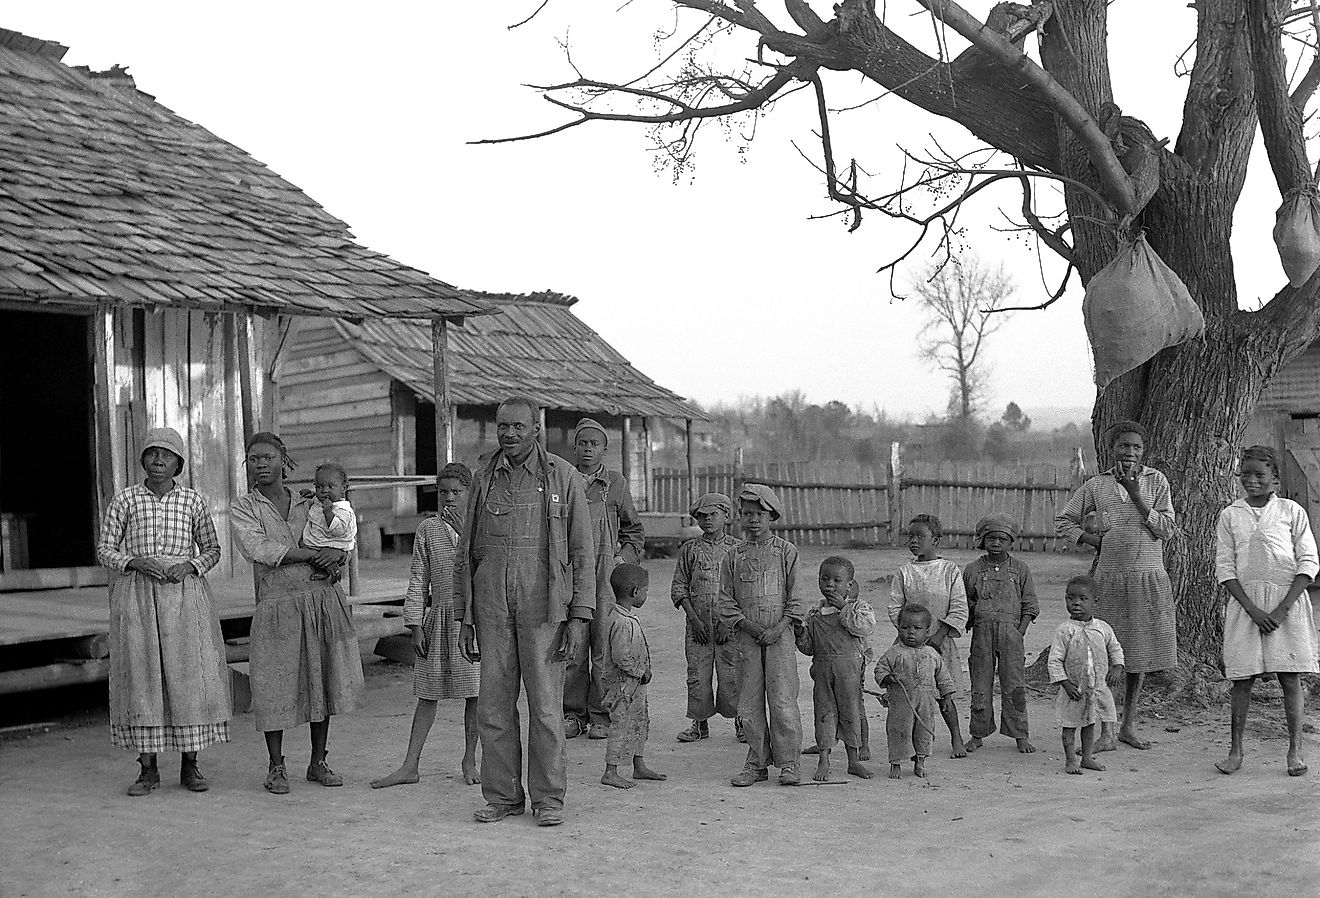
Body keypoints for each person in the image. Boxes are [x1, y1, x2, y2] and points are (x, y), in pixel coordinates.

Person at [453, 396, 595, 827]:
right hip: (492, 608)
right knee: (493, 707)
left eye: (518, 426)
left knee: (548, 709)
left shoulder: (563, 477)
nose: (509, 433)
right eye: (502, 426)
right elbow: (466, 552)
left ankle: (549, 799)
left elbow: (582, 552)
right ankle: (502, 797)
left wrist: (579, 616)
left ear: (536, 427)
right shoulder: (483, 478)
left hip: (545, 611)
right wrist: (465, 616)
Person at [96, 427, 230, 796]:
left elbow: (213, 549)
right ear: (142, 460)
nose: (159, 460)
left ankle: (191, 766)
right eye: (152, 454)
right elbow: (105, 549)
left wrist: (190, 566)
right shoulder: (125, 500)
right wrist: (134, 561)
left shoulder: (193, 502)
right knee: (143, 675)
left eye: (167, 455)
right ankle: (147, 769)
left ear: (179, 464)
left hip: (184, 597)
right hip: (138, 597)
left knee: (187, 675)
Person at [230, 432, 364, 794]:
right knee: (273, 683)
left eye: (268, 457)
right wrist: (308, 554)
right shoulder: (245, 508)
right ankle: (276, 766)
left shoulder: (311, 500)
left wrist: (339, 558)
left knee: (322, 678)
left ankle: (318, 761)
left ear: (284, 461)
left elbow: (341, 535)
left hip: (320, 597)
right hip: (276, 602)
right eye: (253, 458)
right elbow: (259, 547)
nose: (261, 464)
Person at [1056, 420, 1177, 751]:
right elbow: (1063, 520)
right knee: (1101, 654)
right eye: (1124, 446)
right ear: (1112, 449)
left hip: (1148, 578)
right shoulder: (1097, 486)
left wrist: (1138, 497)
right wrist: (1093, 540)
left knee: (1137, 656)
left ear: (1144, 451)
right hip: (1109, 580)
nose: (1131, 452)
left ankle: (1128, 725)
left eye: (1137, 447)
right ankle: (1103, 730)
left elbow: (1166, 529)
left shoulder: (1156, 481)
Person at [372, 462, 480, 789]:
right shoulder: (428, 530)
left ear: (470, 493)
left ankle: (469, 760)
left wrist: (465, 533)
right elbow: (418, 579)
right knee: (427, 693)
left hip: (472, 621)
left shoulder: (479, 528)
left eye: (457, 492)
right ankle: (410, 765)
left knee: (475, 694)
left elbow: (485, 565)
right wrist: (415, 624)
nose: (449, 498)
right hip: (439, 619)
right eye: (443, 492)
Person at [1214, 446, 1318, 777]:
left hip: (1287, 604)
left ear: (1275, 478)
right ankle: (1235, 751)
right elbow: (1225, 567)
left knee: (1290, 678)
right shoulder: (1230, 515)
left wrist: (1283, 607)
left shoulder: (1291, 511)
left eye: (1260, 474)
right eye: (1246, 473)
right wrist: (1253, 610)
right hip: (1246, 606)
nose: (1252, 480)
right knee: (1242, 679)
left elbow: (1308, 561)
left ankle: (1295, 751)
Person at [719, 484, 805, 787]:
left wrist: (779, 628)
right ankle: (756, 762)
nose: (752, 519)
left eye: (759, 514)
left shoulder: (786, 552)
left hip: (780, 638)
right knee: (749, 704)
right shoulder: (733, 555)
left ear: (772, 516)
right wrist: (749, 627)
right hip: (747, 639)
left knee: (782, 702)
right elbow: (725, 600)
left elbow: (796, 598)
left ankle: (789, 763)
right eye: (746, 514)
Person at [564, 417, 645, 741]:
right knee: (573, 646)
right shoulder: (563, 480)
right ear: (575, 447)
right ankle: (573, 714)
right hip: (570, 575)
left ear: (604, 450)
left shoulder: (615, 484)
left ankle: (601, 714)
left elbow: (634, 530)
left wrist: (622, 558)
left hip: (604, 580)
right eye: (582, 443)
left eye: (593, 444)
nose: (587, 449)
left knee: (604, 648)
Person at [889, 513, 969, 758]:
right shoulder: (905, 572)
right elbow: (894, 607)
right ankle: (912, 746)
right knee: (908, 695)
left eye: (920, 536)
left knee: (945, 693)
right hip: (910, 644)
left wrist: (938, 635)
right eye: (910, 536)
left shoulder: (949, 571)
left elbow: (958, 606)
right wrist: (910, 633)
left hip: (940, 643)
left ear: (936, 540)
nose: (913, 541)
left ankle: (956, 738)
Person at [671, 491, 744, 743]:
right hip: (698, 626)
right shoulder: (689, 549)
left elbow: (742, 592)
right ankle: (698, 724)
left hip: (730, 627)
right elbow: (679, 586)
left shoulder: (737, 550)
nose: (708, 520)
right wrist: (693, 619)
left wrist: (728, 621)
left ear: (726, 516)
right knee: (697, 675)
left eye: (714, 514)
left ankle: (741, 722)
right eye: (702, 516)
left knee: (733, 674)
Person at [963, 514, 1038, 754]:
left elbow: (1030, 604)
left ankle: (1020, 735)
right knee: (980, 684)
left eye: (1002, 539)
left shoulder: (1020, 569)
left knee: (1014, 685)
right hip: (982, 635)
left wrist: (1020, 631)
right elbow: (964, 602)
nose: (996, 543)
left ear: (1011, 542)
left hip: (1011, 635)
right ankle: (977, 734)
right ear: (982, 540)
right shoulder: (973, 570)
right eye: (991, 538)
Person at [795, 556, 875, 781]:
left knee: (851, 714)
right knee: (824, 714)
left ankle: (853, 761)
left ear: (849, 585)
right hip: (823, 673)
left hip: (848, 674)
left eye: (837, 580)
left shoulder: (859, 608)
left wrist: (843, 608)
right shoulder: (814, 613)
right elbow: (809, 648)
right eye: (824, 579)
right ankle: (824, 760)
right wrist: (800, 634)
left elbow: (865, 628)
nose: (829, 584)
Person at [1047, 576, 1125, 775]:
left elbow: (1115, 648)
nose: (1076, 603)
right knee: (1070, 726)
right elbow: (1054, 660)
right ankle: (1071, 760)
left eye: (1083, 598)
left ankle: (1087, 758)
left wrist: (1117, 667)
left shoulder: (1102, 628)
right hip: (1073, 690)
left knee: (1090, 723)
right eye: (1071, 598)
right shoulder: (1065, 631)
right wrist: (1065, 683)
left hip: (1096, 688)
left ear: (1095, 602)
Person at [600, 563, 666, 789]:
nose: (646, 594)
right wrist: (641, 672)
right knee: (621, 724)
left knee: (639, 722)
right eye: (645, 591)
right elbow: (621, 657)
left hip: (634, 687)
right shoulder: (621, 622)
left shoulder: (626, 617)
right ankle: (611, 771)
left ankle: (639, 764)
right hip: (623, 687)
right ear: (635, 592)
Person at [874, 604, 956, 779]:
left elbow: (943, 677)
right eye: (905, 627)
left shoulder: (932, 654)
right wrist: (888, 678)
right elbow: (880, 669)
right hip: (901, 703)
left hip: (925, 703)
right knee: (899, 731)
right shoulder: (894, 652)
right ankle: (895, 764)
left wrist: (947, 698)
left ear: (927, 632)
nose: (910, 632)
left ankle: (920, 763)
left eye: (917, 628)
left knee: (923, 732)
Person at [302, 462, 356, 582]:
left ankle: (330, 568)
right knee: (307, 550)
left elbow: (339, 530)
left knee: (316, 555)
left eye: (331, 487)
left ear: (344, 488)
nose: (324, 491)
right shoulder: (321, 501)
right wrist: (311, 495)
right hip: (320, 541)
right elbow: (316, 500)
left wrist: (328, 513)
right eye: (319, 487)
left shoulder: (343, 510)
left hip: (333, 543)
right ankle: (327, 568)